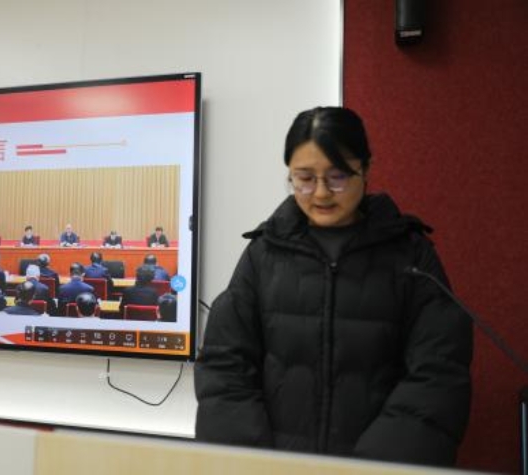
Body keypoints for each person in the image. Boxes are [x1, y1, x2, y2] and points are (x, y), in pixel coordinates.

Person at [194, 107, 472, 467]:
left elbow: (439, 375)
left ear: (366, 169)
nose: (321, 193)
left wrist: (373, 469)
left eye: (337, 176)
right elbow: (224, 365)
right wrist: (254, 463)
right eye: (304, 179)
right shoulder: (264, 254)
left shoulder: (411, 255)